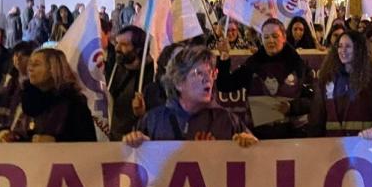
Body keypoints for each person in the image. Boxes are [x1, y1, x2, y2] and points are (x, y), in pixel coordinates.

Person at [123, 45, 257, 146]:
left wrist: (249, 144)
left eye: (210, 73)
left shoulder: (228, 121)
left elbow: (257, 164)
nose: (207, 79)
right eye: (198, 73)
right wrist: (137, 145)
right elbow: (129, 166)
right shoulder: (153, 121)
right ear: (179, 82)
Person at [216, 18, 314, 139]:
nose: (270, 41)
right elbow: (224, 85)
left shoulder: (298, 65)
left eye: (275, 36)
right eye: (266, 37)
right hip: (260, 137)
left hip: (292, 137)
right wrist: (224, 57)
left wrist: (291, 107)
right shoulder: (253, 64)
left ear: (284, 37)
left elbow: (313, 100)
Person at [308, 30, 372, 137]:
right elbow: (317, 116)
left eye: (348, 46)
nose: (343, 50)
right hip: (333, 144)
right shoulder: (328, 78)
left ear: (359, 49)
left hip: (364, 144)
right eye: (340, 46)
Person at [0, 48, 97, 143]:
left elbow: (87, 143)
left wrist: (55, 141)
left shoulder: (73, 102)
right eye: (30, 64)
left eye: (36, 64)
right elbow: (8, 124)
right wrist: (2, 133)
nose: (30, 68)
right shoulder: (23, 97)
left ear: (53, 69)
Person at [107, 26, 155, 141]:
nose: (117, 48)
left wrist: (143, 113)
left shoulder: (153, 74)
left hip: (137, 142)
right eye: (117, 43)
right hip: (112, 138)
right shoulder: (114, 68)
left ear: (138, 49)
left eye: (124, 44)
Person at [0, 41, 36, 138]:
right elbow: (2, 104)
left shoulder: (35, 83)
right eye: (15, 55)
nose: (17, 59)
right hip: (5, 130)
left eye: (22, 55)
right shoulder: (9, 79)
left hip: (23, 134)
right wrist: (1, 130)